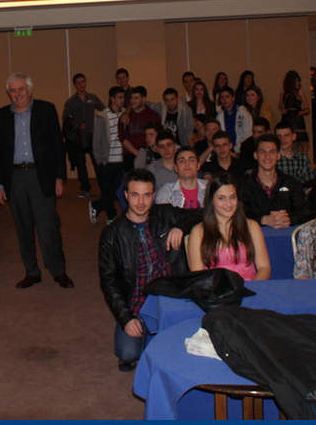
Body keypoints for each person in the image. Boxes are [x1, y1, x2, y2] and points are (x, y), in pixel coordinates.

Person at [98, 169, 203, 372]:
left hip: (170, 298)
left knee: (185, 349)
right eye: (135, 195)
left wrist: (180, 227)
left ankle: (158, 336)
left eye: (147, 195)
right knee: (128, 353)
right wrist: (126, 318)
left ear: (154, 195)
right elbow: (109, 282)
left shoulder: (165, 214)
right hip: (136, 303)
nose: (141, 202)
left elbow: (201, 214)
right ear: (126, 195)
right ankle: (145, 333)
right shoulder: (111, 234)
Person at [0, 72, 73, 289]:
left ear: (29, 90)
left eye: (21, 89)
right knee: (23, 227)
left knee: (48, 227)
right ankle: (32, 272)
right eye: (13, 90)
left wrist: (59, 177)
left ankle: (58, 270)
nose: (17, 94)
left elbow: (58, 146)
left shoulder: (46, 110)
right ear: (8, 93)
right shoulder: (1, 115)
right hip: (15, 178)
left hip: (41, 176)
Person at [186, 174, 270, 280]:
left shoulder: (252, 227)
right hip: (215, 289)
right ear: (211, 200)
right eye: (222, 198)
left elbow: (264, 268)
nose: (228, 204)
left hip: (250, 287)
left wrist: (253, 287)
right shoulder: (198, 232)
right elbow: (198, 277)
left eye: (232, 197)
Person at [240, 133, 310, 228]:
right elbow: (238, 214)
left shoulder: (291, 183)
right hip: (255, 234)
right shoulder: (244, 185)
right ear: (256, 155)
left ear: (278, 156)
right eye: (263, 152)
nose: (267, 156)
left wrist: (289, 219)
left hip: (286, 234)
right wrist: (263, 219)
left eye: (272, 152)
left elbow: (305, 211)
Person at [62, 74, 105, 198]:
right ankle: (85, 188)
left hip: (92, 136)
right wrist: (77, 125)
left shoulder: (93, 97)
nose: (81, 85)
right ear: (75, 85)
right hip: (78, 138)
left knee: (97, 163)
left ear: (86, 82)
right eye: (78, 83)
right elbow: (65, 119)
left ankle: (104, 187)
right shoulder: (71, 102)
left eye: (83, 82)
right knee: (81, 164)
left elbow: (103, 110)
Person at [91, 86, 126, 225]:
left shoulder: (125, 114)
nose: (122, 100)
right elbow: (97, 139)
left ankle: (96, 205)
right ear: (112, 99)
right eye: (119, 97)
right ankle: (111, 215)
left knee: (112, 191)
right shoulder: (102, 115)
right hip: (107, 160)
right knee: (107, 190)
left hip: (121, 159)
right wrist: (98, 158)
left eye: (123, 97)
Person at [120, 87, 161, 170]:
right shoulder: (124, 117)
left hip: (150, 155)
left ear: (144, 99)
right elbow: (123, 138)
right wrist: (138, 154)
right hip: (130, 156)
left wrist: (147, 154)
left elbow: (157, 136)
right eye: (131, 98)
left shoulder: (153, 115)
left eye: (136, 98)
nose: (132, 101)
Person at [279, 70, 311, 157]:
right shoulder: (286, 94)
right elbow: (283, 109)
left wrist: (301, 112)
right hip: (291, 122)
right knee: (293, 146)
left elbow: (307, 109)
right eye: (297, 81)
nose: (298, 83)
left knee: (302, 147)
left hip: (297, 122)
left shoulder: (297, 93)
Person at [275, 121, 316, 185]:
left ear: (294, 137)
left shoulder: (302, 158)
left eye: (286, 135)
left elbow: (310, 181)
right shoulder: (272, 158)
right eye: (279, 136)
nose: (282, 139)